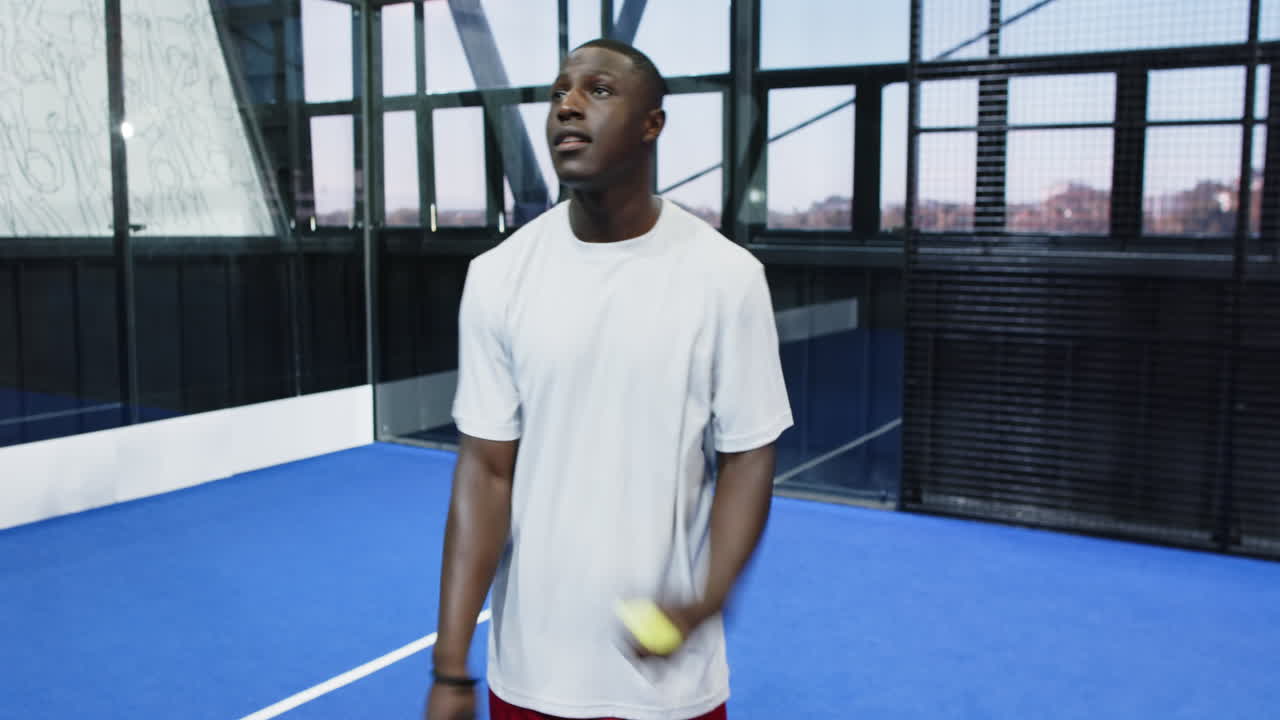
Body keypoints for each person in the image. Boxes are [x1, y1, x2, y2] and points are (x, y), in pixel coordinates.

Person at [425, 38, 793, 720]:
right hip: (531, 675)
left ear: (652, 123)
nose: (567, 105)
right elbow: (485, 472)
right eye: (560, 91)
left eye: (597, 90)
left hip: (672, 688)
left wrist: (705, 599)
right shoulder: (499, 277)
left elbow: (748, 456)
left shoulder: (728, 279)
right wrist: (451, 668)